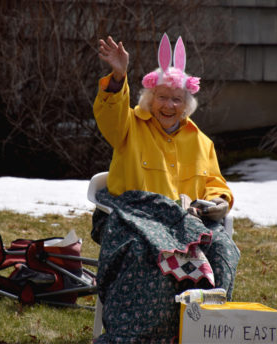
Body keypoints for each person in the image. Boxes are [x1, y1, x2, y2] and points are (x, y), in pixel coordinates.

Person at [92, 34, 240, 343]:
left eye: (176, 99)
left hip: (187, 223)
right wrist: (119, 77)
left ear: (187, 104)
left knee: (224, 250)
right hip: (134, 220)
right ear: (149, 98)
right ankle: (136, 337)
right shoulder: (128, 125)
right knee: (152, 256)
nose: (168, 105)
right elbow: (108, 115)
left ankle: (205, 331)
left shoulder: (201, 141)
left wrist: (218, 201)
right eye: (161, 97)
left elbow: (215, 183)